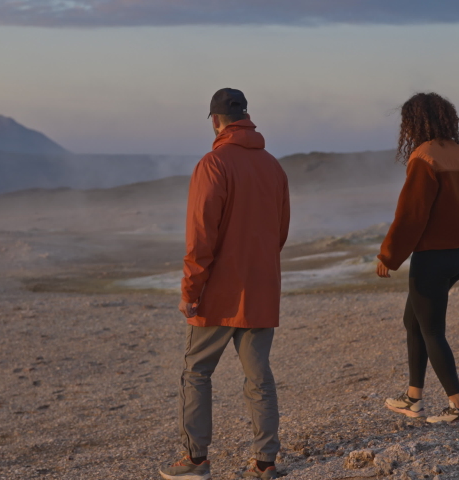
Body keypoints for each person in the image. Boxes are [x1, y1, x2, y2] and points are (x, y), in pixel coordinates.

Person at [159, 88, 290, 480]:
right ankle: (265, 463)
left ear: (216, 121)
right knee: (258, 377)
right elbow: (279, 232)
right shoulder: (273, 167)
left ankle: (195, 460)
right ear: (246, 117)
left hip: (218, 293)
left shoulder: (212, 164)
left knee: (196, 372)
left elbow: (201, 237)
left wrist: (189, 291)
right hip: (261, 289)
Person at [376, 92, 459, 424]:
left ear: (414, 123)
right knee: (414, 321)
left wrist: (389, 256)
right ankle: (413, 398)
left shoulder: (425, 157)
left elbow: (411, 215)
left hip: (434, 258)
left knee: (432, 329)